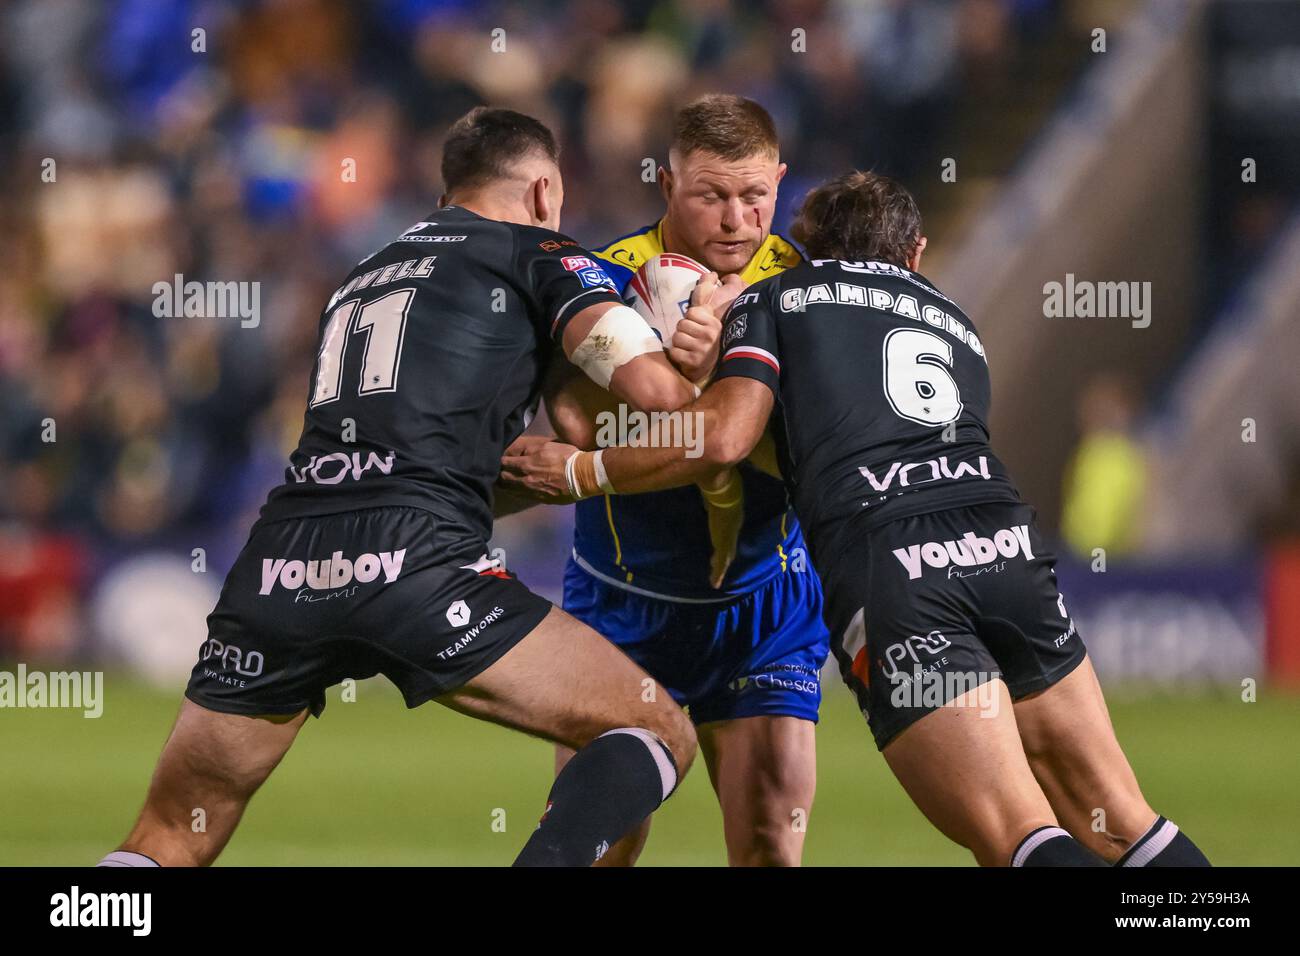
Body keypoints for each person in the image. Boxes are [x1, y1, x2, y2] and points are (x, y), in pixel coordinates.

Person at [504, 171, 1211, 867]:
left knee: (1019, 835)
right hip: (1006, 547)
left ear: (804, 248)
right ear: (917, 251)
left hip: (896, 570)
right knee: (1124, 823)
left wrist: (583, 467)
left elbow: (724, 439)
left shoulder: (776, 297)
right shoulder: (955, 320)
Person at [97, 107, 731, 868]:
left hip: (282, 557)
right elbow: (656, 398)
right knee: (652, 729)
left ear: (445, 197)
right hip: (415, 560)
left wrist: (552, 465)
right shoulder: (543, 251)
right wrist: (699, 340)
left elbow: (412, 450)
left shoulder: (360, 277)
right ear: (542, 192)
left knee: (170, 835)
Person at [537, 95, 830, 866]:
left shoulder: (803, 286)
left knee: (770, 846)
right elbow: (572, 421)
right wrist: (672, 377)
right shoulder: (603, 278)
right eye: (711, 195)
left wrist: (729, 372)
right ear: (667, 187)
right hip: (622, 608)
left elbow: (817, 439)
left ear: (780, 184)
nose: (737, 219)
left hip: (764, 609)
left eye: (755, 196)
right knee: (598, 849)